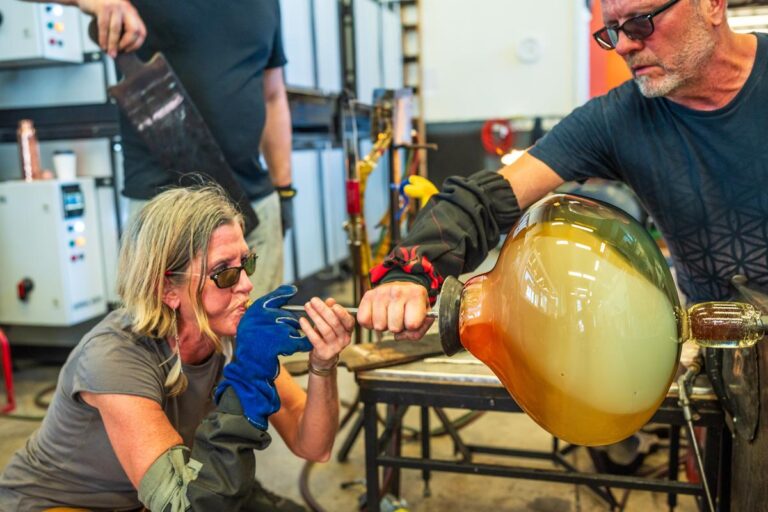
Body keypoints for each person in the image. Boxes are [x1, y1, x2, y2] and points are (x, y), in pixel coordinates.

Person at [357, 0, 768, 337]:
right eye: (613, 31)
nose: (624, 46)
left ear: (711, 5)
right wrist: (409, 273)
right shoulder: (617, 120)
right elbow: (486, 198)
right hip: (722, 347)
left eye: (640, 24)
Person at [0, 185, 354, 511]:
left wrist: (322, 364)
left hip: (152, 496)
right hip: (59, 503)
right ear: (166, 288)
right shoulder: (114, 357)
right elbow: (180, 507)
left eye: (246, 263)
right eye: (224, 273)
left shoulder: (223, 332)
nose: (246, 284)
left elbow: (313, 446)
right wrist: (249, 375)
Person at [39, 0, 295, 298]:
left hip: (253, 208)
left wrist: (284, 189)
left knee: (255, 339)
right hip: (164, 218)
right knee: (159, 343)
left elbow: (273, 95)